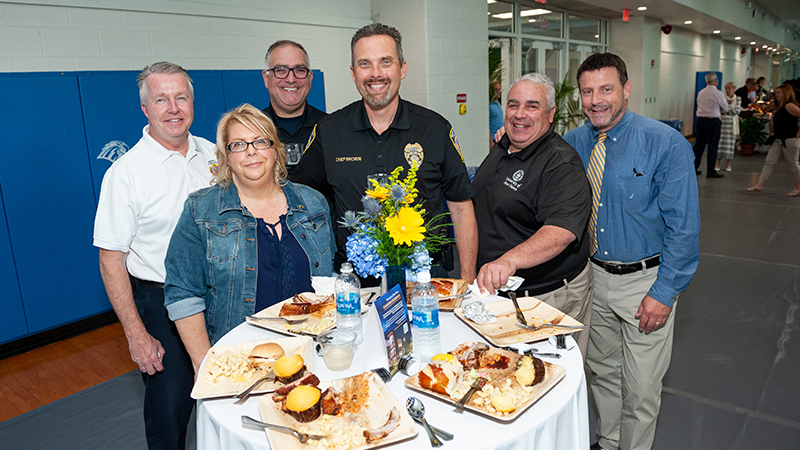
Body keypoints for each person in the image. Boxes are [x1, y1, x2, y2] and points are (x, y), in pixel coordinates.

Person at [563, 53, 700, 450]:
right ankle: (609, 442)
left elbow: (684, 226)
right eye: (587, 91)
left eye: (605, 89)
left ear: (626, 89)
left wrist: (664, 292)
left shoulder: (665, 144)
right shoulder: (574, 143)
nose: (595, 101)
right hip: (593, 278)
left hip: (645, 283)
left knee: (641, 387)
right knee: (602, 374)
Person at [93, 61, 217, 450]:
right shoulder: (126, 174)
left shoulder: (215, 155)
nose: (174, 108)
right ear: (145, 108)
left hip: (221, 295)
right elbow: (111, 259)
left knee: (231, 395)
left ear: (193, 102)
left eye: (181, 97)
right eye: (161, 100)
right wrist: (136, 334)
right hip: (161, 304)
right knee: (170, 413)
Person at [292, 23, 478, 281]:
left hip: (426, 280)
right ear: (353, 72)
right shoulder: (329, 131)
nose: (375, 74)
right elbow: (298, 198)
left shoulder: (435, 129)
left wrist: (467, 282)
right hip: (355, 284)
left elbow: (461, 208)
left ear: (403, 68)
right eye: (364, 64)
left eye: (385, 62)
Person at [164, 104, 334, 371]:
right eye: (238, 145)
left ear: (275, 150)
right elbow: (183, 293)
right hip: (239, 362)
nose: (251, 151)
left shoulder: (313, 203)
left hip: (313, 352)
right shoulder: (201, 211)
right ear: (226, 158)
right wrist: (203, 363)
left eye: (260, 141)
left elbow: (328, 281)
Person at [473, 73, 593, 356]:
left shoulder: (561, 164)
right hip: (500, 292)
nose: (519, 114)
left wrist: (509, 260)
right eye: (513, 105)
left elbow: (560, 233)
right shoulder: (504, 145)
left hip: (548, 298)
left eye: (532, 106)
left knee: (551, 374)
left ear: (550, 114)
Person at [261, 40, 327, 177]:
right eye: (281, 70)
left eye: (300, 70)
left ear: (310, 78)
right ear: (266, 78)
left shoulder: (330, 128)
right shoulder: (252, 130)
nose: (291, 79)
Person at [746, 84, 800, 197]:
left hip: (790, 139)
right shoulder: (779, 105)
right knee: (769, 162)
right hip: (778, 139)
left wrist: (799, 132)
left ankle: (797, 187)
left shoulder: (789, 106)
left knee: (793, 164)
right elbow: (766, 107)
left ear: (785, 93)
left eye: (779, 93)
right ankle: (759, 184)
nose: (776, 95)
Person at [693, 72, 728, 178]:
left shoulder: (701, 92)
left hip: (701, 121)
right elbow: (725, 108)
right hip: (713, 121)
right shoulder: (718, 93)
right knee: (713, 146)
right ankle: (710, 171)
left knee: (699, 146)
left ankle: (694, 168)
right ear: (716, 80)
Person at [716, 82, 741, 172]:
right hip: (722, 123)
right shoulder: (722, 98)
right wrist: (728, 108)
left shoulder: (738, 99)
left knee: (730, 145)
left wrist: (726, 108)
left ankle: (728, 164)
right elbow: (719, 110)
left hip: (732, 125)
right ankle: (718, 163)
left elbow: (737, 111)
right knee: (720, 143)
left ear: (733, 89)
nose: (727, 90)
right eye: (726, 88)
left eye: (729, 88)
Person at [489, 80, 503, 149]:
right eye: (496, 90)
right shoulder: (489, 105)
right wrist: (491, 142)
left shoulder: (497, 102)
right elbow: (486, 125)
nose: (498, 92)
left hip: (501, 138)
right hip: (494, 139)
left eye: (499, 89)